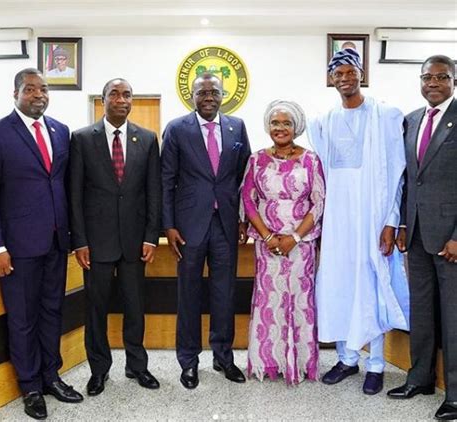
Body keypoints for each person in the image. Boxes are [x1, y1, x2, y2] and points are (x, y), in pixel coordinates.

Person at [0, 68, 83, 420]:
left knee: (52, 312)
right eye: (30, 89)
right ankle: (30, 387)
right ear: (15, 94)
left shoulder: (60, 131)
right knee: (23, 319)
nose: (39, 94)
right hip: (18, 248)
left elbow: (64, 186)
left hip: (57, 242)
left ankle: (50, 375)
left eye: (43, 89)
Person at [308, 48, 409, 395]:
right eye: (339, 73)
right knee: (339, 285)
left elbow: (397, 175)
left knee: (372, 285)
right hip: (338, 221)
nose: (345, 78)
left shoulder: (386, 116)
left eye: (351, 72)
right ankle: (347, 359)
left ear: (361, 74)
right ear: (332, 79)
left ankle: (376, 363)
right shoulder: (322, 123)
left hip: (372, 216)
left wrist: (391, 221)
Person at [69, 78, 161, 396]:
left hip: (136, 242)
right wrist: (79, 241)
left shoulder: (147, 139)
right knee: (96, 309)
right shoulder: (81, 139)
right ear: (103, 100)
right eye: (115, 94)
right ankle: (98, 370)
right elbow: (75, 195)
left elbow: (154, 192)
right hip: (96, 244)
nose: (121, 99)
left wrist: (152, 236)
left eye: (127, 95)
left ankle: (137, 365)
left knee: (135, 306)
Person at [161, 72, 251, 389]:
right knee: (189, 295)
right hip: (188, 227)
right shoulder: (176, 129)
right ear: (192, 96)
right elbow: (166, 180)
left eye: (214, 91)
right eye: (202, 92)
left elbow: (245, 178)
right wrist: (169, 225)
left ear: (222, 95)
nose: (209, 97)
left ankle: (223, 357)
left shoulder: (236, 127)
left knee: (224, 294)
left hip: (225, 224)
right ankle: (188, 361)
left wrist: (243, 218)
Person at [387, 55, 457, 420]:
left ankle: (456, 396)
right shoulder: (411, 120)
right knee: (422, 311)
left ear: (453, 80)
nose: (433, 82)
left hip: (450, 239)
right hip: (415, 234)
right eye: (427, 77)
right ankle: (420, 378)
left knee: (454, 316)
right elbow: (408, 180)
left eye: (441, 77)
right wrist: (401, 225)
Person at [241, 100, 325, 385]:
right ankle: (269, 362)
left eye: (286, 123)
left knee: (300, 301)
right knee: (269, 301)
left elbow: (319, 202)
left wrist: (295, 237)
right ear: (268, 126)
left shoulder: (311, 160)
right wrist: (266, 235)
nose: (280, 128)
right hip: (267, 244)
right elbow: (248, 201)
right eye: (275, 123)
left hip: (301, 244)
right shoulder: (256, 160)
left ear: (296, 127)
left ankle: (300, 363)